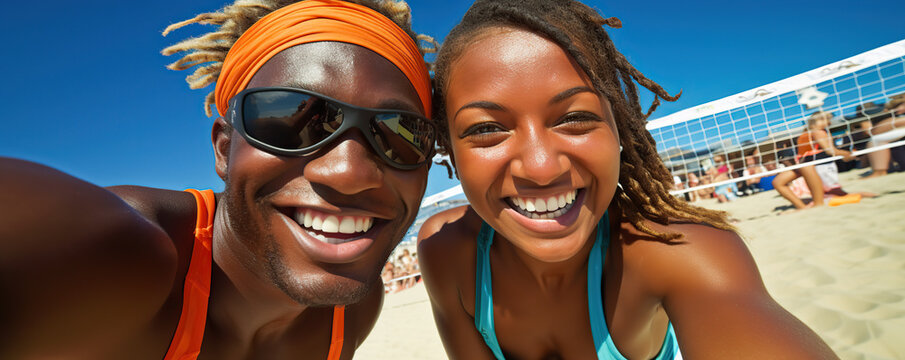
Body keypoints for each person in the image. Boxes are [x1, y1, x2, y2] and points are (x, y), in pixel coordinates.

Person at [0, 0, 436, 358]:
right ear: (225, 148)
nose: (348, 172)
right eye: (289, 118)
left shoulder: (353, 308)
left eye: (400, 133)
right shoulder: (123, 260)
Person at [417, 0, 837, 358]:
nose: (542, 168)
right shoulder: (446, 253)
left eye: (576, 118)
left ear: (620, 128)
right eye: (486, 129)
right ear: (449, 150)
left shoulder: (674, 251)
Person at [773, 111, 856, 210]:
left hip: (817, 163)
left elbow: (830, 150)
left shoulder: (819, 132)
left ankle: (816, 204)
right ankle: (802, 207)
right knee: (778, 182)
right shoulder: (807, 133)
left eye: (827, 119)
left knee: (836, 194)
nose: (826, 122)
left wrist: (846, 154)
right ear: (813, 121)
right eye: (822, 119)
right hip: (804, 164)